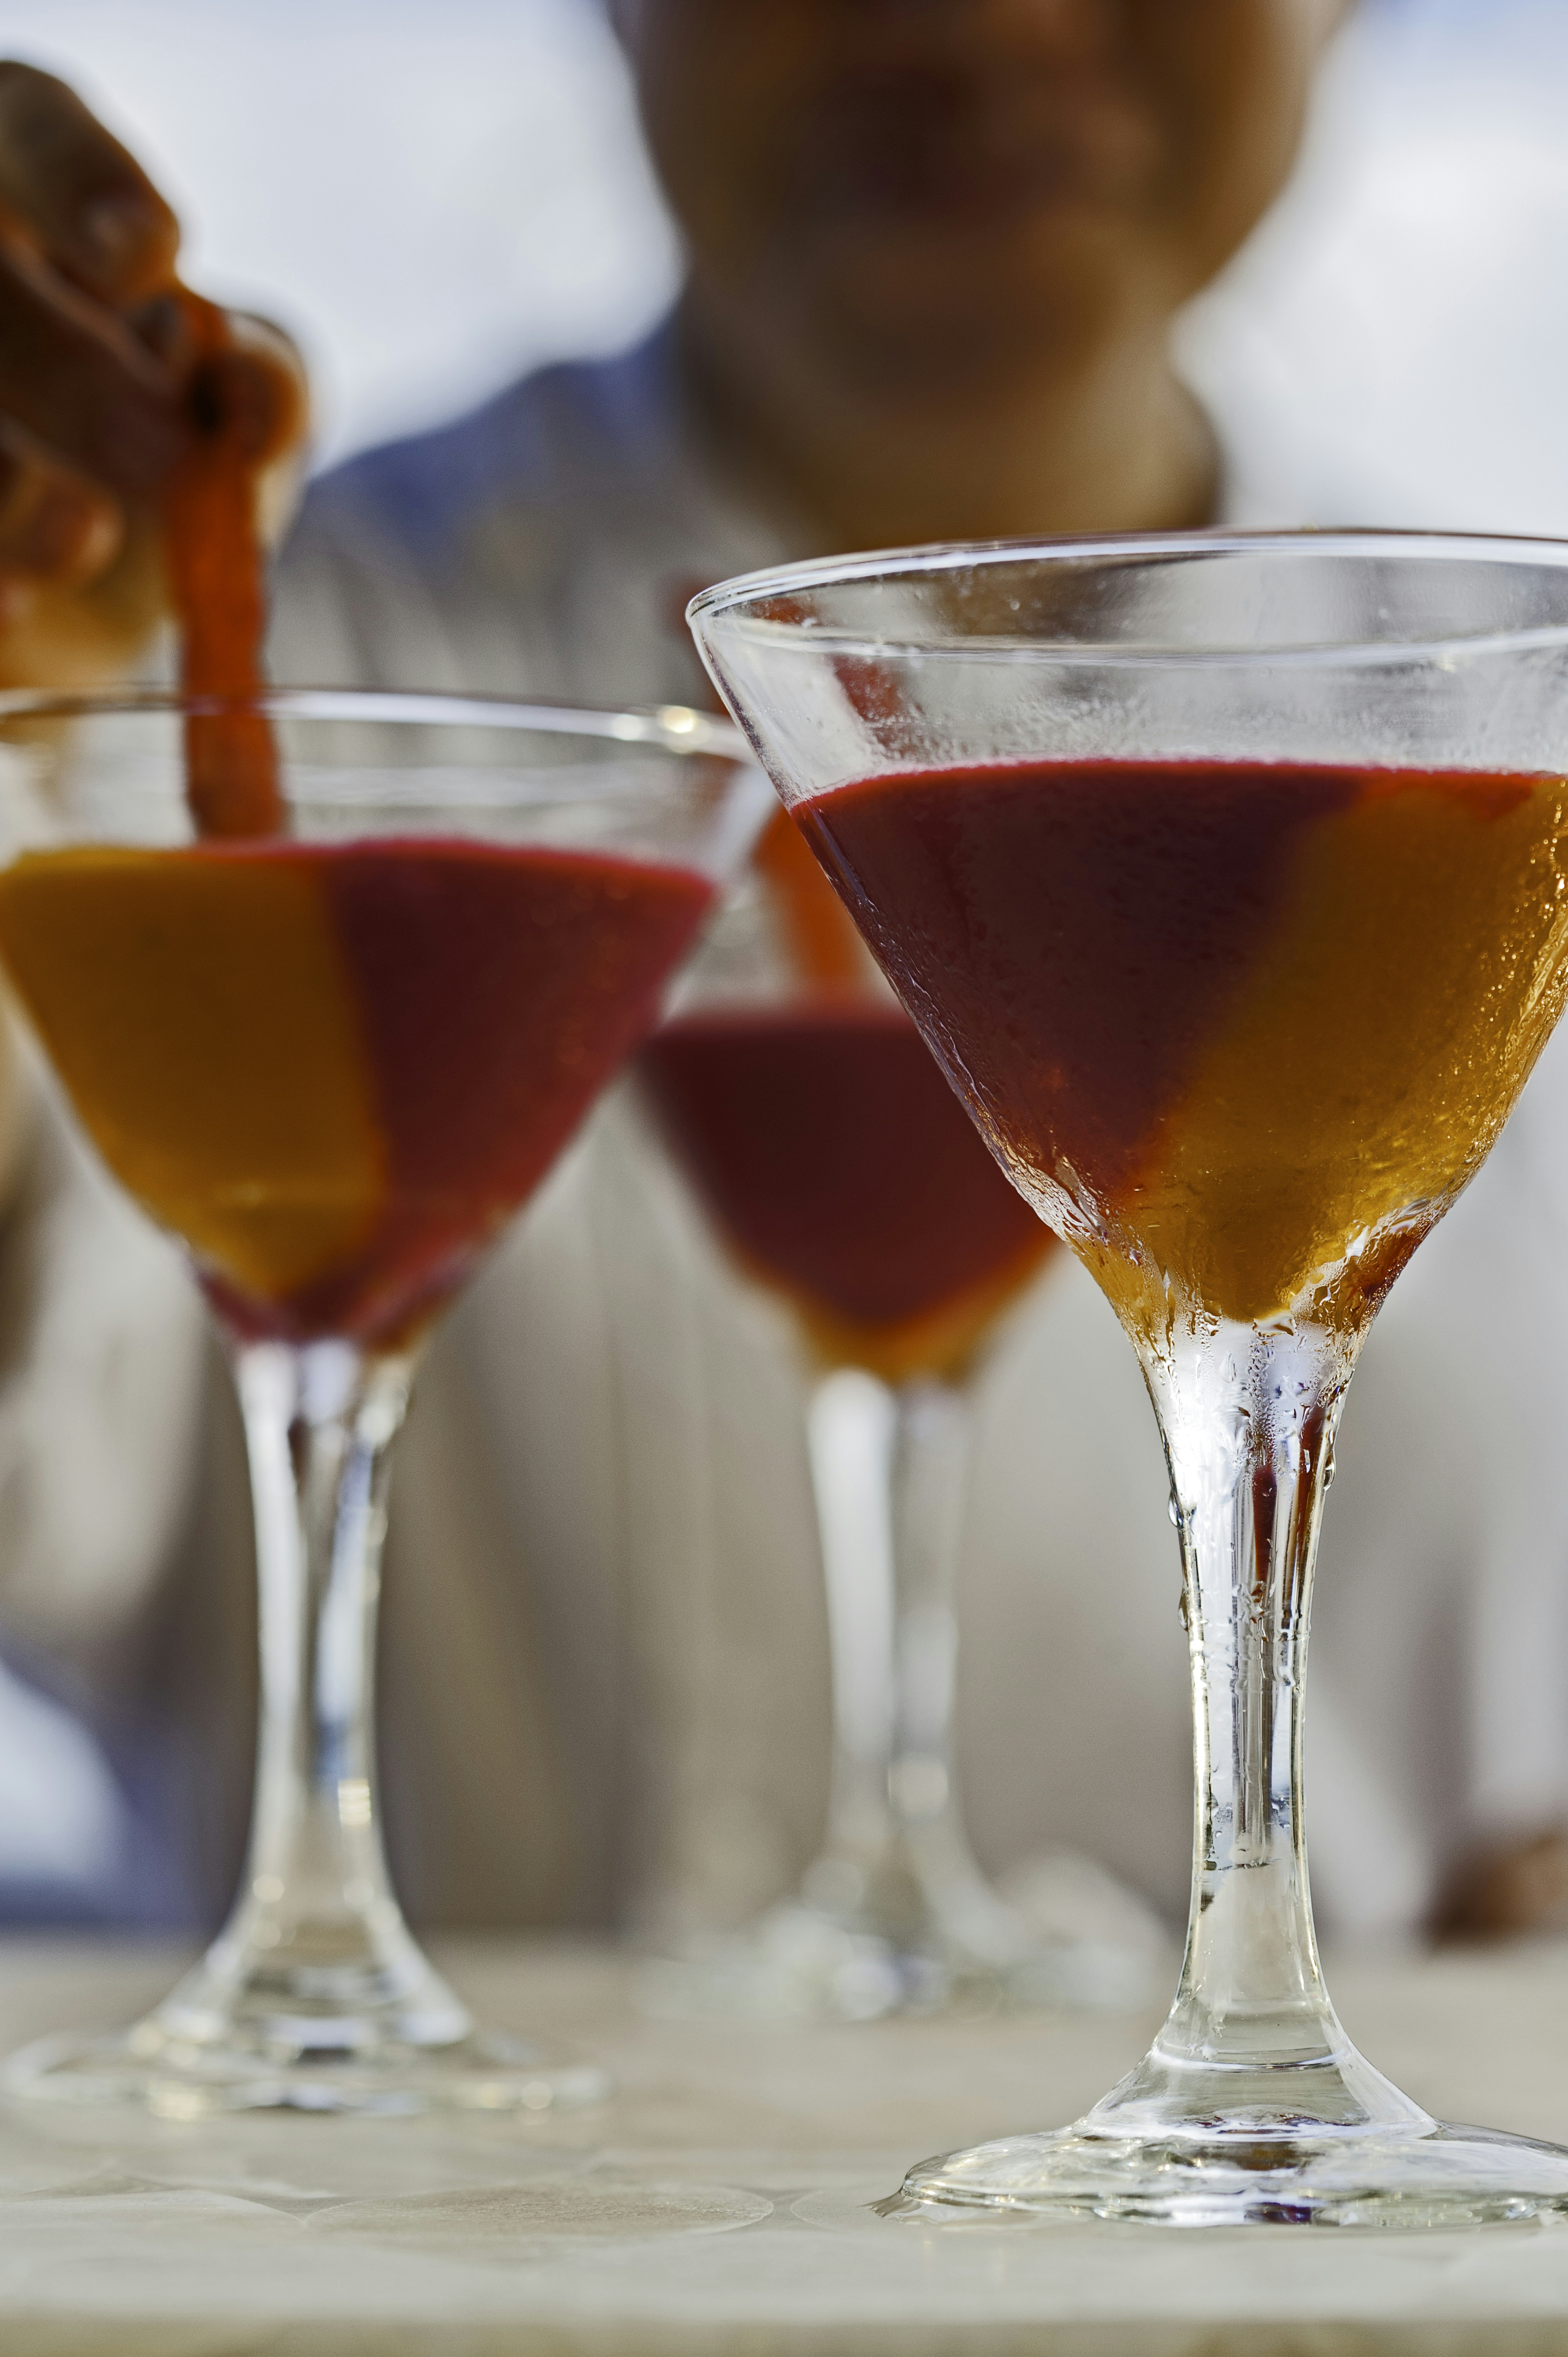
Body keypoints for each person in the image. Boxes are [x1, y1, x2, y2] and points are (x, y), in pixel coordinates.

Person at [0, 1, 1564, 1945]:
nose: (982, 16)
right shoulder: (186, 661)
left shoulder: (1507, 749)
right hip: (386, 2234)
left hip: (1338, 2242)